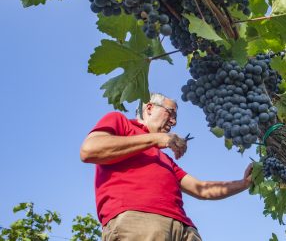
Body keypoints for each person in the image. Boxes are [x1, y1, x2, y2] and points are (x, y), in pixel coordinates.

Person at [80, 93, 253, 240]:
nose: (174, 122)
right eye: (171, 113)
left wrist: (244, 183)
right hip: (139, 221)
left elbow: (202, 189)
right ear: (149, 108)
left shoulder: (164, 159)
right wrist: (156, 139)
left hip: (185, 230)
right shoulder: (121, 122)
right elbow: (89, 150)